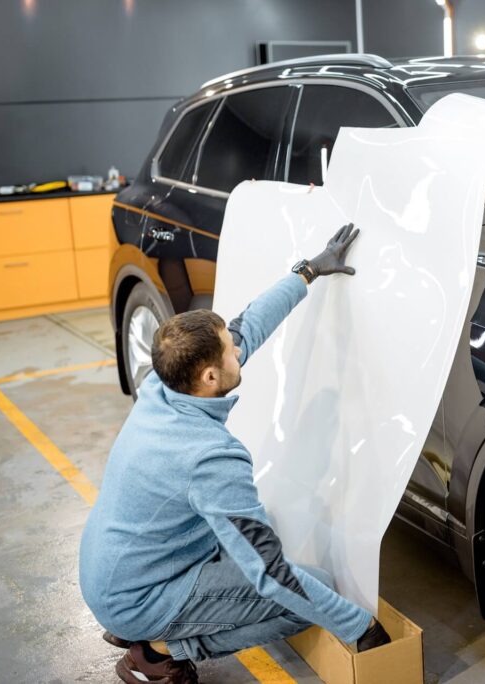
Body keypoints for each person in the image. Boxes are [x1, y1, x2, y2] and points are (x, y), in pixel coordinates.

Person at [79, 224, 389, 684]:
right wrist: (359, 626)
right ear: (207, 377)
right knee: (312, 593)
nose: (239, 350)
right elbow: (270, 576)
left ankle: (145, 631)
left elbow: (247, 325)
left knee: (254, 541)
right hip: (137, 596)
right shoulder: (210, 458)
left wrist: (308, 271)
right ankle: (158, 650)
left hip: (112, 569)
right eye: (230, 353)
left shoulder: (160, 389)